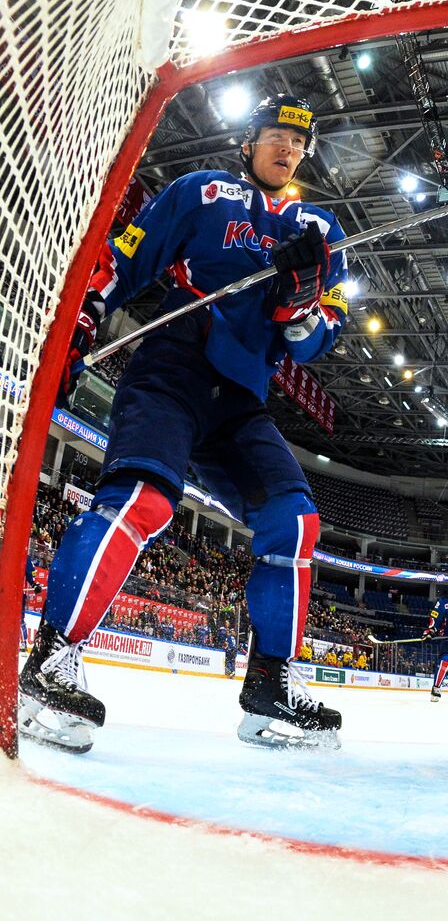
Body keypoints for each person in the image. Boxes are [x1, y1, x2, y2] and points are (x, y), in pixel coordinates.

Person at [19, 94, 348, 753]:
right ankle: (49, 663)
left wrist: (301, 301)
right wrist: (82, 320)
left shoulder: (321, 230)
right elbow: (124, 257)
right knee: (143, 501)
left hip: (242, 397)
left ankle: (270, 685)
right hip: (174, 368)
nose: (287, 148)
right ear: (250, 140)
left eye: (298, 142)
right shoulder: (203, 192)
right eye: (277, 135)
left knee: (295, 518)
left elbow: (313, 340)